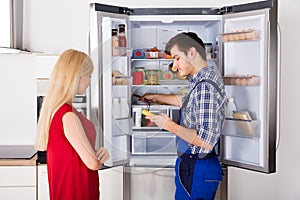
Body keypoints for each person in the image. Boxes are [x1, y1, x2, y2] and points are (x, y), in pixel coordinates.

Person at [142, 32, 227, 200]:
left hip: (198, 166)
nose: (174, 66)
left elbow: (206, 141)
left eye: (177, 58)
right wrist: (158, 97)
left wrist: (168, 125)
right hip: (193, 165)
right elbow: (190, 101)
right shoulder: (201, 79)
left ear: (192, 53)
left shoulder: (205, 87)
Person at [35, 49, 110, 200]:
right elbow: (93, 164)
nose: (89, 81)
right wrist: (101, 157)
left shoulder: (58, 110)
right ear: (77, 77)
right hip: (76, 192)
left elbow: (75, 153)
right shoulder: (68, 115)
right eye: (89, 76)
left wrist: (96, 154)